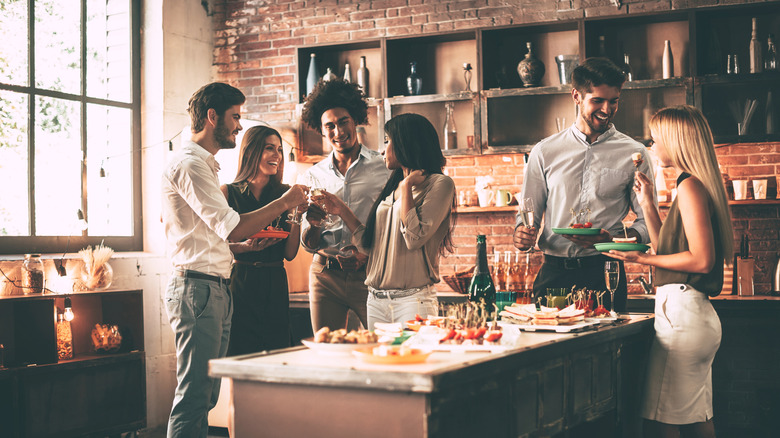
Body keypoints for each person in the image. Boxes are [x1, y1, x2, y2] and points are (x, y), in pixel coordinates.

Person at [161, 82, 307, 438]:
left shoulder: (205, 166)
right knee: (194, 397)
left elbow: (219, 237)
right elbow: (234, 228)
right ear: (213, 117)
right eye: (235, 117)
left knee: (207, 396)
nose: (239, 125)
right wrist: (286, 203)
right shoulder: (190, 164)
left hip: (216, 287)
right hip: (198, 289)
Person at [606, 105, 732, 438]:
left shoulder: (690, 187)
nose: (652, 147)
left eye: (656, 139)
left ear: (676, 142)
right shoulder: (695, 184)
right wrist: (648, 202)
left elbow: (701, 260)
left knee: (660, 423)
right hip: (694, 317)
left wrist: (640, 260)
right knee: (698, 418)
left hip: (683, 320)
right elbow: (669, 250)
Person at [513, 57, 656, 312]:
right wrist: (522, 234)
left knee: (609, 350)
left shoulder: (634, 153)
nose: (607, 109)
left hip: (605, 272)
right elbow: (527, 216)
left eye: (614, 101)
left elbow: (647, 223)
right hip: (554, 274)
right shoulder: (544, 151)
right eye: (597, 101)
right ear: (576, 96)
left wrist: (613, 238)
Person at [315, 113, 455, 329]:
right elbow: (372, 245)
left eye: (389, 142)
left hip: (412, 301)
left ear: (407, 143)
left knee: (411, 362)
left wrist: (407, 186)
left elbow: (414, 238)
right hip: (376, 300)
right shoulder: (393, 187)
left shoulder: (439, 184)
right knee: (379, 362)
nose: (383, 150)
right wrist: (341, 210)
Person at [299, 79, 391, 332]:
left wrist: (368, 255)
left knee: (379, 347)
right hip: (324, 276)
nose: (338, 131)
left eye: (343, 122)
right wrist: (314, 224)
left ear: (355, 121)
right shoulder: (312, 176)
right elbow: (307, 244)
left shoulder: (383, 168)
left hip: (370, 275)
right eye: (329, 125)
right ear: (320, 129)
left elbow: (392, 226)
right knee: (327, 352)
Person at [221, 125, 303, 355]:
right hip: (240, 281)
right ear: (251, 151)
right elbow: (217, 245)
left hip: (275, 280)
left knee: (277, 350)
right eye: (269, 148)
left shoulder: (288, 193)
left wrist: (296, 214)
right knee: (239, 350)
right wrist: (244, 248)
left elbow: (289, 253)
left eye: (279, 149)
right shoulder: (227, 192)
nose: (276, 156)